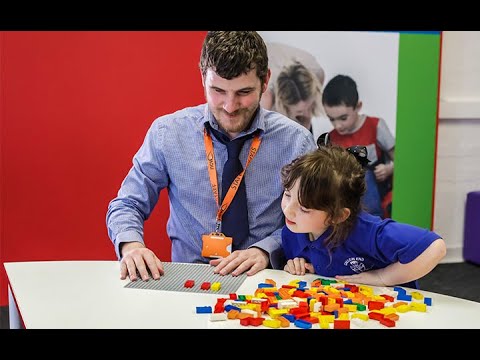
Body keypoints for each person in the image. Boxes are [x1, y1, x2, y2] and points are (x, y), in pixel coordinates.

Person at [106, 31, 317, 282]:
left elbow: (316, 218)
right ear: (202, 78)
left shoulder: (297, 141)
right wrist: (131, 246)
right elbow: (127, 204)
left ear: (265, 80)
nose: (230, 106)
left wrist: (266, 249)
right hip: (189, 279)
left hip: (267, 278)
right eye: (218, 90)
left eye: (243, 92)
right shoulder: (168, 133)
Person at [279, 144, 446, 289]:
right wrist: (296, 265)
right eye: (287, 195)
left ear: (338, 216)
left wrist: (382, 277)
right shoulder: (292, 230)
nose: (288, 210)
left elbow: (435, 247)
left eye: (304, 208)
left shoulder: (368, 232)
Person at [322, 74, 395, 218]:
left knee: (364, 174)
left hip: (376, 200)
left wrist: (389, 168)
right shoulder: (331, 138)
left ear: (358, 106)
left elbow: (402, 160)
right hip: (346, 203)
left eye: (343, 118)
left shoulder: (375, 126)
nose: (338, 125)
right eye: (331, 119)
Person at [260, 42, 331, 141]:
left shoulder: (317, 72)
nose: (306, 112)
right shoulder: (266, 95)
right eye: (299, 112)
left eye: (309, 106)